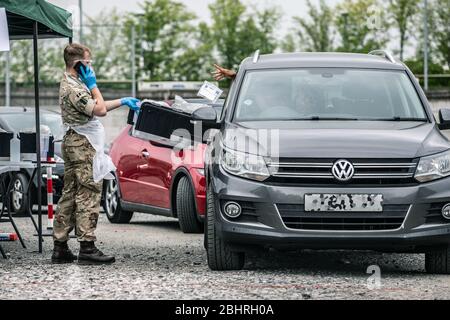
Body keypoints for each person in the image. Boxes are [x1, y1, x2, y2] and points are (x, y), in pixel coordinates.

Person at [52, 43, 141, 265]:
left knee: (71, 193)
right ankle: (87, 247)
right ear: (79, 64)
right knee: (89, 193)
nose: (91, 67)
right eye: (88, 63)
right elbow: (99, 109)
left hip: (75, 141)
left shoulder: (73, 84)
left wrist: (122, 101)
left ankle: (60, 246)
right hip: (82, 144)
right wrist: (94, 85)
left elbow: (95, 106)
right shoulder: (74, 88)